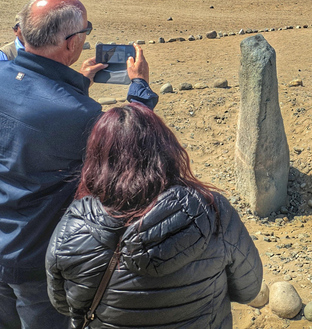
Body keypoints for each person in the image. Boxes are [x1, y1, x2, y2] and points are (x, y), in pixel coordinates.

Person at [0, 0, 158, 329]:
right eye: (85, 32)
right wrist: (139, 87)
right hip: (33, 259)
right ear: (71, 44)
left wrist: (76, 84)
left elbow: (27, 121)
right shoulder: (78, 115)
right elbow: (129, 148)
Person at [46, 103, 263, 329]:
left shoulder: (70, 228)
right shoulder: (213, 211)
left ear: (96, 157)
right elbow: (249, 288)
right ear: (166, 149)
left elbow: (63, 304)